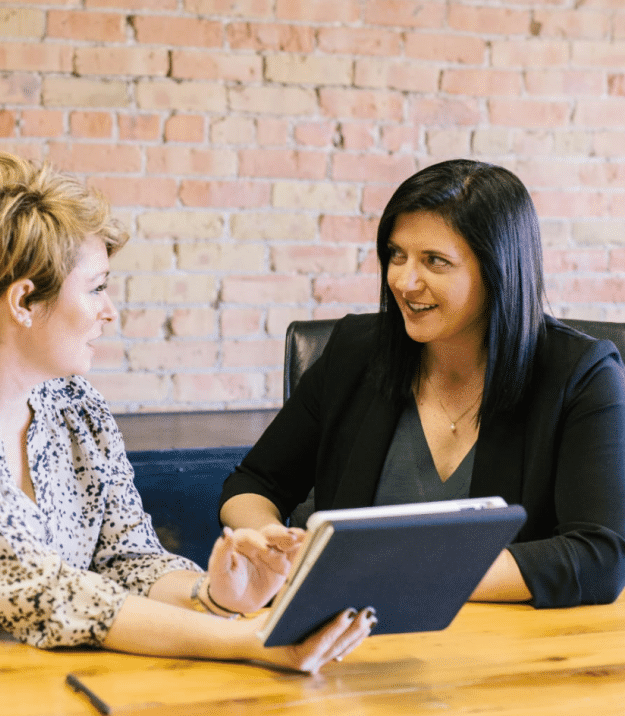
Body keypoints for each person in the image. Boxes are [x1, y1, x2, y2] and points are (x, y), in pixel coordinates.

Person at [0, 153, 375, 673]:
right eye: (97, 288)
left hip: (18, 677)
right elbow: (42, 593)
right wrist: (249, 640)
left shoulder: (74, 404)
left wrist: (216, 597)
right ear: (24, 301)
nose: (110, 311)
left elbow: (128, 558)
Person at [220, 158, 625, 609]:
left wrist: (395, 574)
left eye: (434, 261)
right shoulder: (355, 351)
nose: (403, 281)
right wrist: (266, 541)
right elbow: (253, 482)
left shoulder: (581, 375)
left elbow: (598, 556)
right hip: (349, 643)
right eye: (397, 255)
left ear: (498, 271)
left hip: (509, 652)